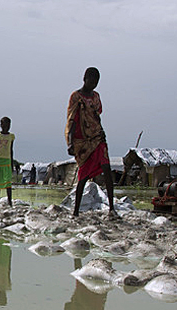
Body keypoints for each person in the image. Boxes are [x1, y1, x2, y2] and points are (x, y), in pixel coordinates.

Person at [65, 67, 115, 217]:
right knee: (84, 175)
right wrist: (70, 142)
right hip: (83, 141)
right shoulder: (76, 96)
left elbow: (96, 116)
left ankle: (112, 208)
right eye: (91, 81)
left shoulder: (96, 97)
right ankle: (76, 211)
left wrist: (102, 131)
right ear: (84, 79)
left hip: (98, 137)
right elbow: (72, 120)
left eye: (96, 82)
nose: (93, 85)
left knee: (107, 169)